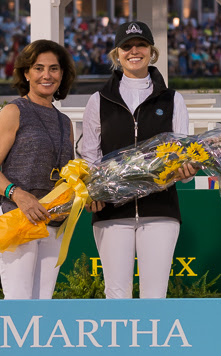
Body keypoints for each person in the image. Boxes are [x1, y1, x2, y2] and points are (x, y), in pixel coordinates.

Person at [81, 21, 197, 299]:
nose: (134, 51)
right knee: (116, 294)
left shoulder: (172, 100)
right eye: (127, 46)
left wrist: (187, 170)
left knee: (154, 296)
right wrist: (89, 191)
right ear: (117, 54)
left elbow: (185, 156)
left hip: (160, 210)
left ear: (151, 51)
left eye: (141, 45)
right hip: (110, 212)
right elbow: (89, 157)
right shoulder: (98, 100)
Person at [0, 39, 76, 299]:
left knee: (42, 301)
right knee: (19, 300)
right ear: (26, 73)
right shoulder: (15, 111)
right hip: (16, 216)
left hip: (53, 219)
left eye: (54, 69)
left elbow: (68, 175)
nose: (47, 75)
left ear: (62, 74)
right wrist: (18, 194)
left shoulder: (64, 122)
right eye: (38, 68)